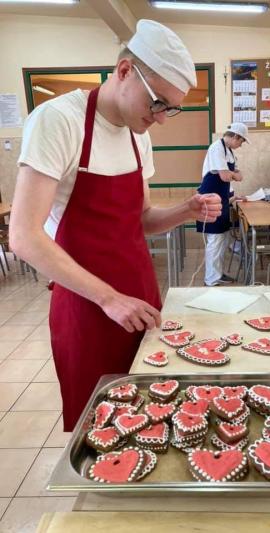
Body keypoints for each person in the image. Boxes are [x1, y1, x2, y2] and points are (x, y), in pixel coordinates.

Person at [9, 19, 221, 431]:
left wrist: (185, 210)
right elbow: (23, 235)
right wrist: (109, 299)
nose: (161, 119)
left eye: (170, 109)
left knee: (150, 415)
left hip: (139, 298)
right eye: (158, 102)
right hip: (88, 307)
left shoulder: (138, 133)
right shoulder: (59, 121)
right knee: (102, 426)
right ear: (125, 71)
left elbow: (140, 220)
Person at [196, 123, 249, 286]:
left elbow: (238, 175)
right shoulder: (216, 148)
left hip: (222, 200)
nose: (241, 145)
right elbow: (226, 177)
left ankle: (218, 273)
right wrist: (233, 175)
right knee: (215, 240)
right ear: (236, 136)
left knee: (224, 239)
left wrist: (232, 177)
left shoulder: (229, 151)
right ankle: (211, 279)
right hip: (211, 200)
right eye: (241, 141)